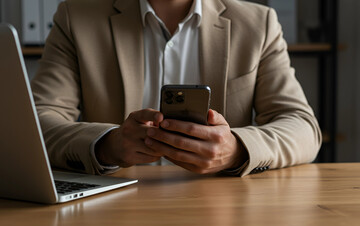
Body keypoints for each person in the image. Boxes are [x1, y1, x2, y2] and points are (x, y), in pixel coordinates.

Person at [30, 0, 322, 177]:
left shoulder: (259, 24)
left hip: (221, 211)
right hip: (112, 209)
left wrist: (235, 150)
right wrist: (108, 145)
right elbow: (35, 123)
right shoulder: (75, 19)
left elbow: (303, 127)